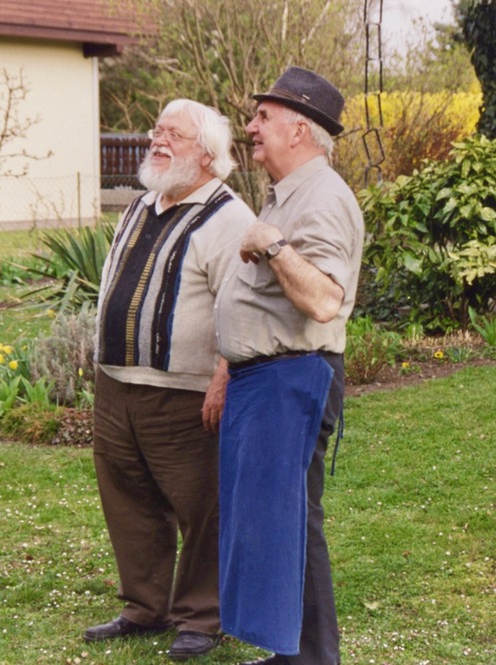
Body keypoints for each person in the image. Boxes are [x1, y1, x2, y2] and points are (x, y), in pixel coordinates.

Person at [84, 98, 255, 660]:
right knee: (128, 498)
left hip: (185, 393)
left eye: (173, 135)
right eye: (157, 131)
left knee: (201, 506)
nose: (157, 141)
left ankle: (202, 617)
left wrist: (225, 374)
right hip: (117, 384)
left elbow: (241, 306)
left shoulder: (230, 218)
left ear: (206, 153)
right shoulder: (141, 204)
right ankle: (145, 605)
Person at [214, 67, 364, 665]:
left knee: (295, 523)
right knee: (280, 523)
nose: (251, 127)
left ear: (300, 129)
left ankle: (313, 658)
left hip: (293, 380)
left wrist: (274, 245)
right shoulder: (290, 192)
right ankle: (294, 653)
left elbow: (325, 299)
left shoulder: (323, 197)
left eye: (263, 117)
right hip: (268, 380)